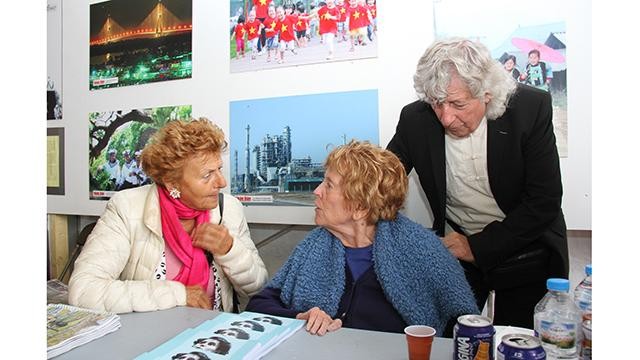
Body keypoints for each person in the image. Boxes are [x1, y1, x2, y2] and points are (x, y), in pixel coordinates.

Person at [386, 37, 569, 329]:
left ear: (487, 93)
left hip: (524, 245)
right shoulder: (415, 118)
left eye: (458, 104)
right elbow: (383, 177)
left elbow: (543, 202)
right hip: (455, 245)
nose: (446, 118)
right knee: (447, 335)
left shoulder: (530, 108)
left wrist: (477, 246)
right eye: (437, 103)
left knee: (517, 338)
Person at [246, 141, 478, 337]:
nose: (317, 192)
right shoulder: (313, 246)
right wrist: (299, 316)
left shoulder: (424, 250)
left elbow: (466, 324)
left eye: (328, 185)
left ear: (359, 206)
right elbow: (258, 305)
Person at [69, 119, 269, 313]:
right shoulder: (127, 208)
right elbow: (84, 291)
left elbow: (258, 289)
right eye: (207, 175)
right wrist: (177, 295)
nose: (222, 182)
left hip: (214, 338)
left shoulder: (229, 209)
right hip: (149, 340)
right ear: (172, 183)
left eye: (219, 169)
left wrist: (230, 250)